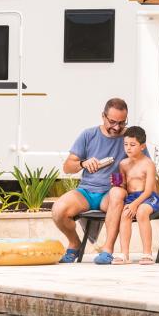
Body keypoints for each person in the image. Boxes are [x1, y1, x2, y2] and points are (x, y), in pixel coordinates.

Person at [52, 97, 129, 264]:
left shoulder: (130, 138)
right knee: (58, 210)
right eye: (112, 122)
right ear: (103, 116)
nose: (117, 127)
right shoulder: (88, 135)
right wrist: (83, 163)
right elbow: (67, 167)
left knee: (117, 194)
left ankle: (107, 250)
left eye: (122, 123)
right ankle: (75, 243)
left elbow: (145, 166)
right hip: (86, 192)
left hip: (110, 193)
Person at [113, 126, 159, 265]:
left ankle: (147, 253)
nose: (128, 148)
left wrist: (135, 204)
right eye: (126, 144)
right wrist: (117, 184)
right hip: (132, 197)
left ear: (142, 146)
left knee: (141, 212)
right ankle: (124, 254)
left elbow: (149, 191)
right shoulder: (123, 164)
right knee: (125, 214)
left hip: (149, 197)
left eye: (132, 145)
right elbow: (124, 186)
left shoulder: (148, 164)